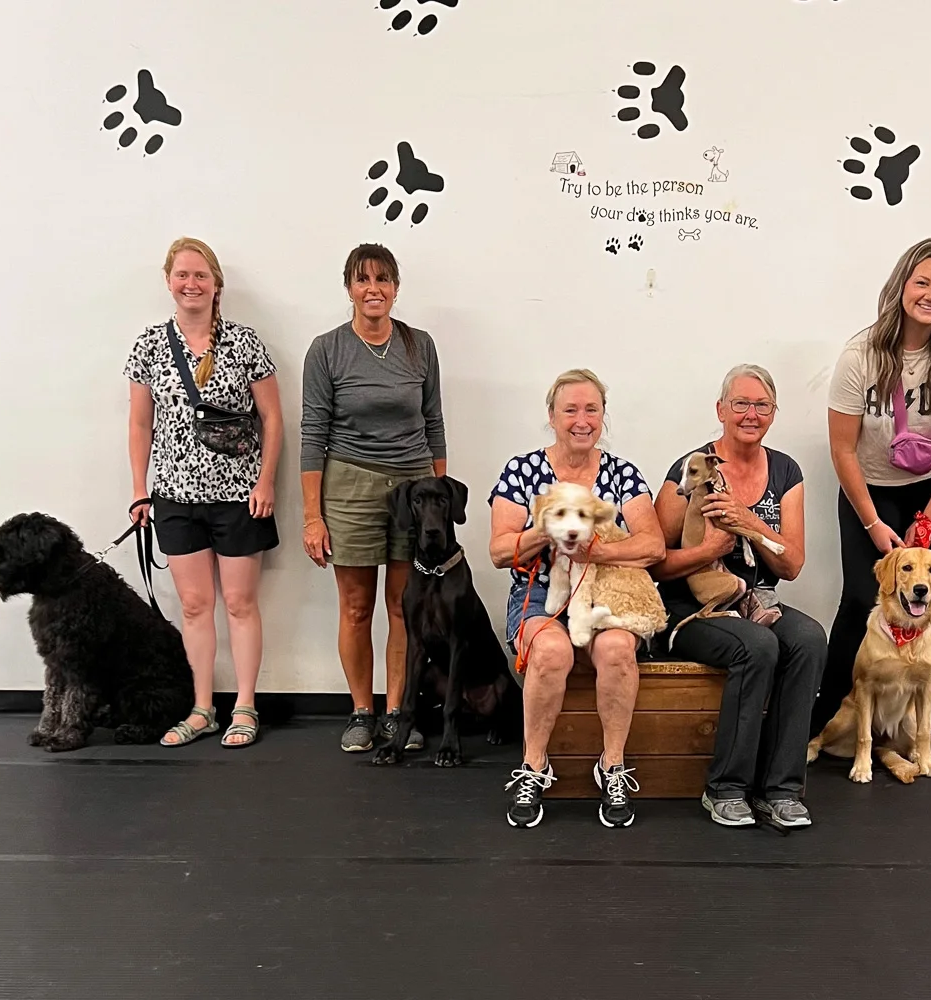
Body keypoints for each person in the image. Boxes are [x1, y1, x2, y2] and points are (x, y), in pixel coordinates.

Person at [812, 238, 931, 763]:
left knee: (927, 597)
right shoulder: (860, 355)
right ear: (900, 287)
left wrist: (928, 519)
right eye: (922, 283)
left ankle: (926, 725)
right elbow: (842, 449)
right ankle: (827, 719)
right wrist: (871, 524)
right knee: (859, 599)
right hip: (868, 487)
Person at [487, 369, 665, 829]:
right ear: (552, 416)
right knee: (550, 651)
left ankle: (612, 766)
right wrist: (548, 529)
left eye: (591, 409)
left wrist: (597, 551)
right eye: (570, 410)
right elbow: (499, 551)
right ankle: (533, 766)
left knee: (618, 648)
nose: (582, 420)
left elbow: (653, 547)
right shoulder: (521, 470)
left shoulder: (623, 473)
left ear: (603, 416)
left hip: (605, 588)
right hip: (539, 591)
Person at [650, 365, 825, 829]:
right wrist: (708, 551)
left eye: (762, 405)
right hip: (689, 607)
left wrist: (750, 522)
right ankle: (726, 788)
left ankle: (781, 789)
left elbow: (791, 564)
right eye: (741, 404)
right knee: (758, 645)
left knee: (809, 639)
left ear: (774, 412)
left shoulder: (786, 471)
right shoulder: (691, 467)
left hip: (754, 599)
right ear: (721, 410)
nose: (751, 414)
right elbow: (654, 562)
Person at [125, 236, 283, 748]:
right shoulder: (149, 345)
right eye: (182, 275)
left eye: (200, 275)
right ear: (168, 281)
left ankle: (245, 706)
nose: (190, 284)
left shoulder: (244, 342)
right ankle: (201, 709)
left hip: (240, 496)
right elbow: (140, 425)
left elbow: (272, 418)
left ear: (217, 285)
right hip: (174, 497)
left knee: (239, 603)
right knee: (194, 606)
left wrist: (265, 480)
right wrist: (140, 491)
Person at [300, 244, 445, 754]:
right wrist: (312, 516)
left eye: (383, 279)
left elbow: (434, 424)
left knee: (404, 607)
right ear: (349, 288)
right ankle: (362, 712)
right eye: (363, 280)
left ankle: (397, 713)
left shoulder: (419, 345)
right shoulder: (326, 350)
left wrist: (440, 497)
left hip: (413, 489)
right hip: (350, 486)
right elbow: (313, 433)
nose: (373, 289)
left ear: (396, 288)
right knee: (357, 607)